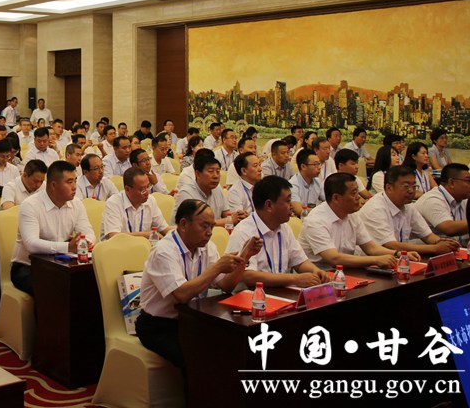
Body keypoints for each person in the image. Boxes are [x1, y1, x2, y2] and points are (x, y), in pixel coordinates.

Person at [136, 199, 260, 373]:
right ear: (184, 224)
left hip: (193, 319)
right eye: (204, 226)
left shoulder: (207, 248)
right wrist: (217, 267)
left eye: (212, 227)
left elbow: (226, 285)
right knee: (199, 357)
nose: (209, 233)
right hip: (159, 326)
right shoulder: (164, 251)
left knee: (234, 345)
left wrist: (244, 257)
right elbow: (181, 295)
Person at [225, 176, 330, 290]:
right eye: (288, 201)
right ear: (269, 205)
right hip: (251, 295)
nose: (292, 206)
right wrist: (294, 279)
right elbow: (248, 276)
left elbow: (300, 262)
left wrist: (315, 271)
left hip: (280, 292)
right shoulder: (244, 231)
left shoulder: (284, 228)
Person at [10, 161, 95, 296]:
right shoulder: (30, 205)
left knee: (90, 284)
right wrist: (67, 247)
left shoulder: (77, 204)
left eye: (75, 181)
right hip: (28, 267)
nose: (74, 187)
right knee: (56, 289)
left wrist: (84, 243)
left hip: (62, 264)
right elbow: (31, 244)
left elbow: (89, 233)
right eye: (69, 182)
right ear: (53, 185)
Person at [298, 173, 398, 270]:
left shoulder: (352, 215)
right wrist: (376, 260)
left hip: (346, 271)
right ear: (336, 198)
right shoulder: (316, 221)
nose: (358, 197)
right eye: (354, 193)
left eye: (358, 192)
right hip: (319, 274)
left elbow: (371, 248)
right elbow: (334, 259)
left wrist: (397, 254)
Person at [359, 166, 460, 259]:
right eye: (406, 186)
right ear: (389, 188)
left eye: (414, 186)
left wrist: (442, 243)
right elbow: (391, 245)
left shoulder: (408, 205)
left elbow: (427, 235)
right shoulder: (375, 208)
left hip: (399, 259)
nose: (411, 191)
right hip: (370, 262)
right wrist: (434, 248)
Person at [100, 167, 169, 240]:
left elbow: (164, 228)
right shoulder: (113, 203)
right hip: (118, 246)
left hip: (143, 246)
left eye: (148, 187)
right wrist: (145, 235)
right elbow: (114, 236)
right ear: (127, 189)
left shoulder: (150, 200)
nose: (147, 193)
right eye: (142, 190)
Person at [415, 163, 470, 245]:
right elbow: (449, 228)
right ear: (451, 182)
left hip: (454, 248)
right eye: (468, 181)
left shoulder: (463, 199)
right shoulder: (432, 199)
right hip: (423, 250)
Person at [174, 152, 229, 225]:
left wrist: (237, 216)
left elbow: (227, 214)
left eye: (218, 171)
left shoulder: (217, 188)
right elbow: (199, 224)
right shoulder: (186, 193)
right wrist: (229, 220)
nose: (216, 176)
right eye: (210, 171)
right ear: (197, 174)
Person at [289, 149, 325, 218]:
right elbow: (300, 211)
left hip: (316, 218)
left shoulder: (317, 181)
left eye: (319, 164)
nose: (319, 167)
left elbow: (327, 202)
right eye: (315, 164)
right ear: (303, 166)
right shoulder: (293, 185)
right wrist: (320, 213)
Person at [226, 152, 260, 218]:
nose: (260, 169)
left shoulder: (263, 186)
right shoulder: (235, 192)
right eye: (255, 166)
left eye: (259, 165)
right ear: (244, 171)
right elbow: (240, 218)